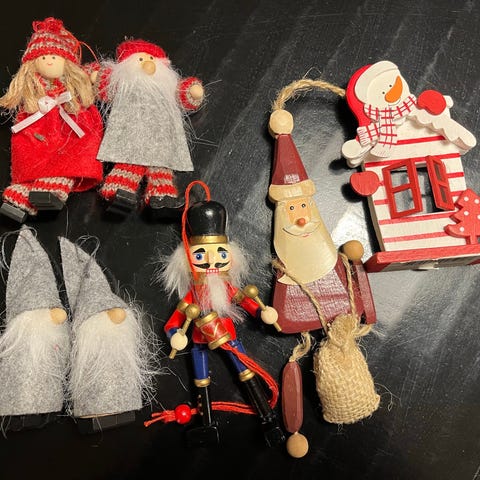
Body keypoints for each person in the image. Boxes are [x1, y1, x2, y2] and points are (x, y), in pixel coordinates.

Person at [157, 181, 284, 447]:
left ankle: (268, 417)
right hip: (199, 341)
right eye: (201, 256)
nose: (212, 262)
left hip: (229, 336)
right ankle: (206, 424)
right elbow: (173, 324)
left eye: (219, 254)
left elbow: (246, 301)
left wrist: (262, 313)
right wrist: (175, 335)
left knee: (246, 372)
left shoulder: (227, 288)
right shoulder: (192, 296)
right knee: (200, 380)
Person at [0, 17, 103, 223]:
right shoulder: (33, 90)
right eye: (43, 56)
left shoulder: (73, 88)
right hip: (37, 124)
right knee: (30, 155)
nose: (49, 61)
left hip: (70, 122)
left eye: (54, 56)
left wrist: (94, 79)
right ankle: (23, 190)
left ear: (67, 62)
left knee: (68, 154)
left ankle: (53, 184)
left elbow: (93, 83)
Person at [93, 38, 205, 217]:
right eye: (141, 59)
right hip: (131, 135)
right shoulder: (124, 85)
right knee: (129, 164)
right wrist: (97, 77)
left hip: (160, 140)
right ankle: (120, 191)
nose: (147, 63)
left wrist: (192, 92)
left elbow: (183, 94)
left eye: (152, 59)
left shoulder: (168, 88)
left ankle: (161, 198)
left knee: (160, 170)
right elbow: (104, 86)